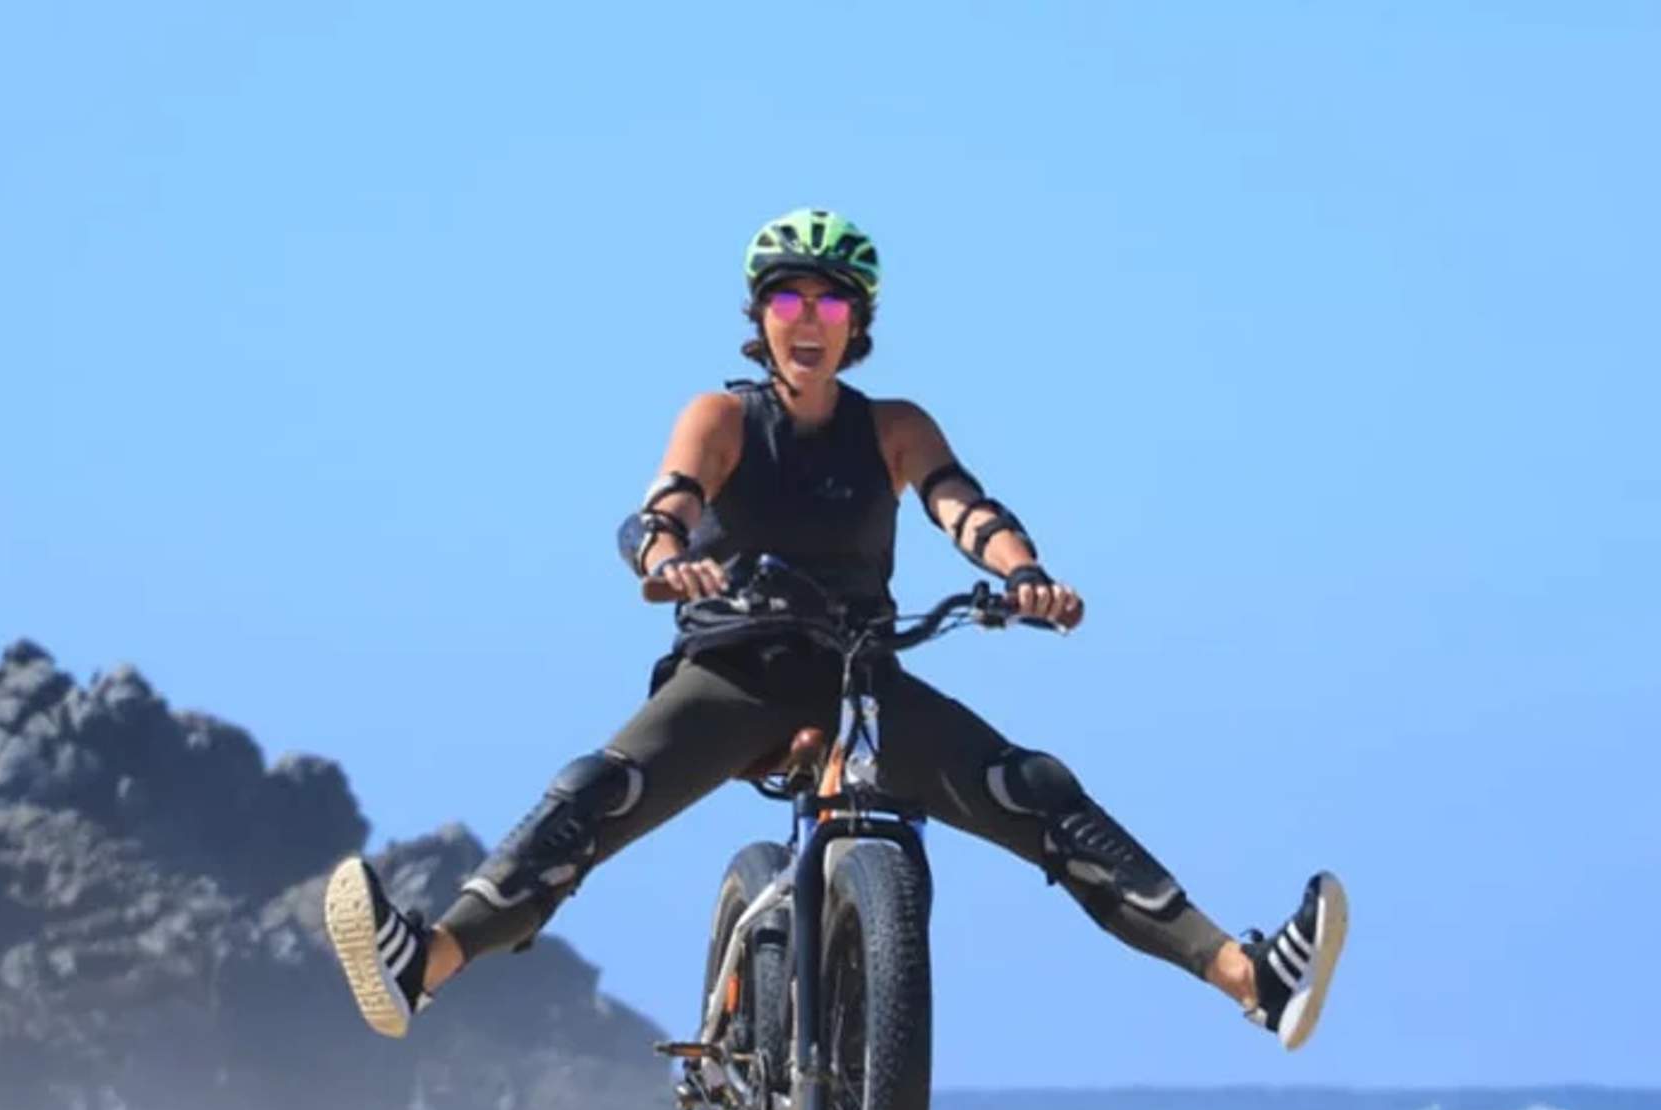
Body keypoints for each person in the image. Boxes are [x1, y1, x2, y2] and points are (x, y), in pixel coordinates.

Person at [322, 207, 1348, 1052]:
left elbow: (965, 509)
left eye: (830, 300)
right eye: (786, 297)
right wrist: (659, 560)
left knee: (1037, 791)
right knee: (599, 790)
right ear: (759, 315)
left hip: (862, 677)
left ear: (859, 321)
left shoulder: (894, 426)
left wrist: (1025, 577)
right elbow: (663, 505)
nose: (806, 317)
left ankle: (1250, 978)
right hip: (736, 670)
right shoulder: (722, 418)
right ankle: (428, 962)